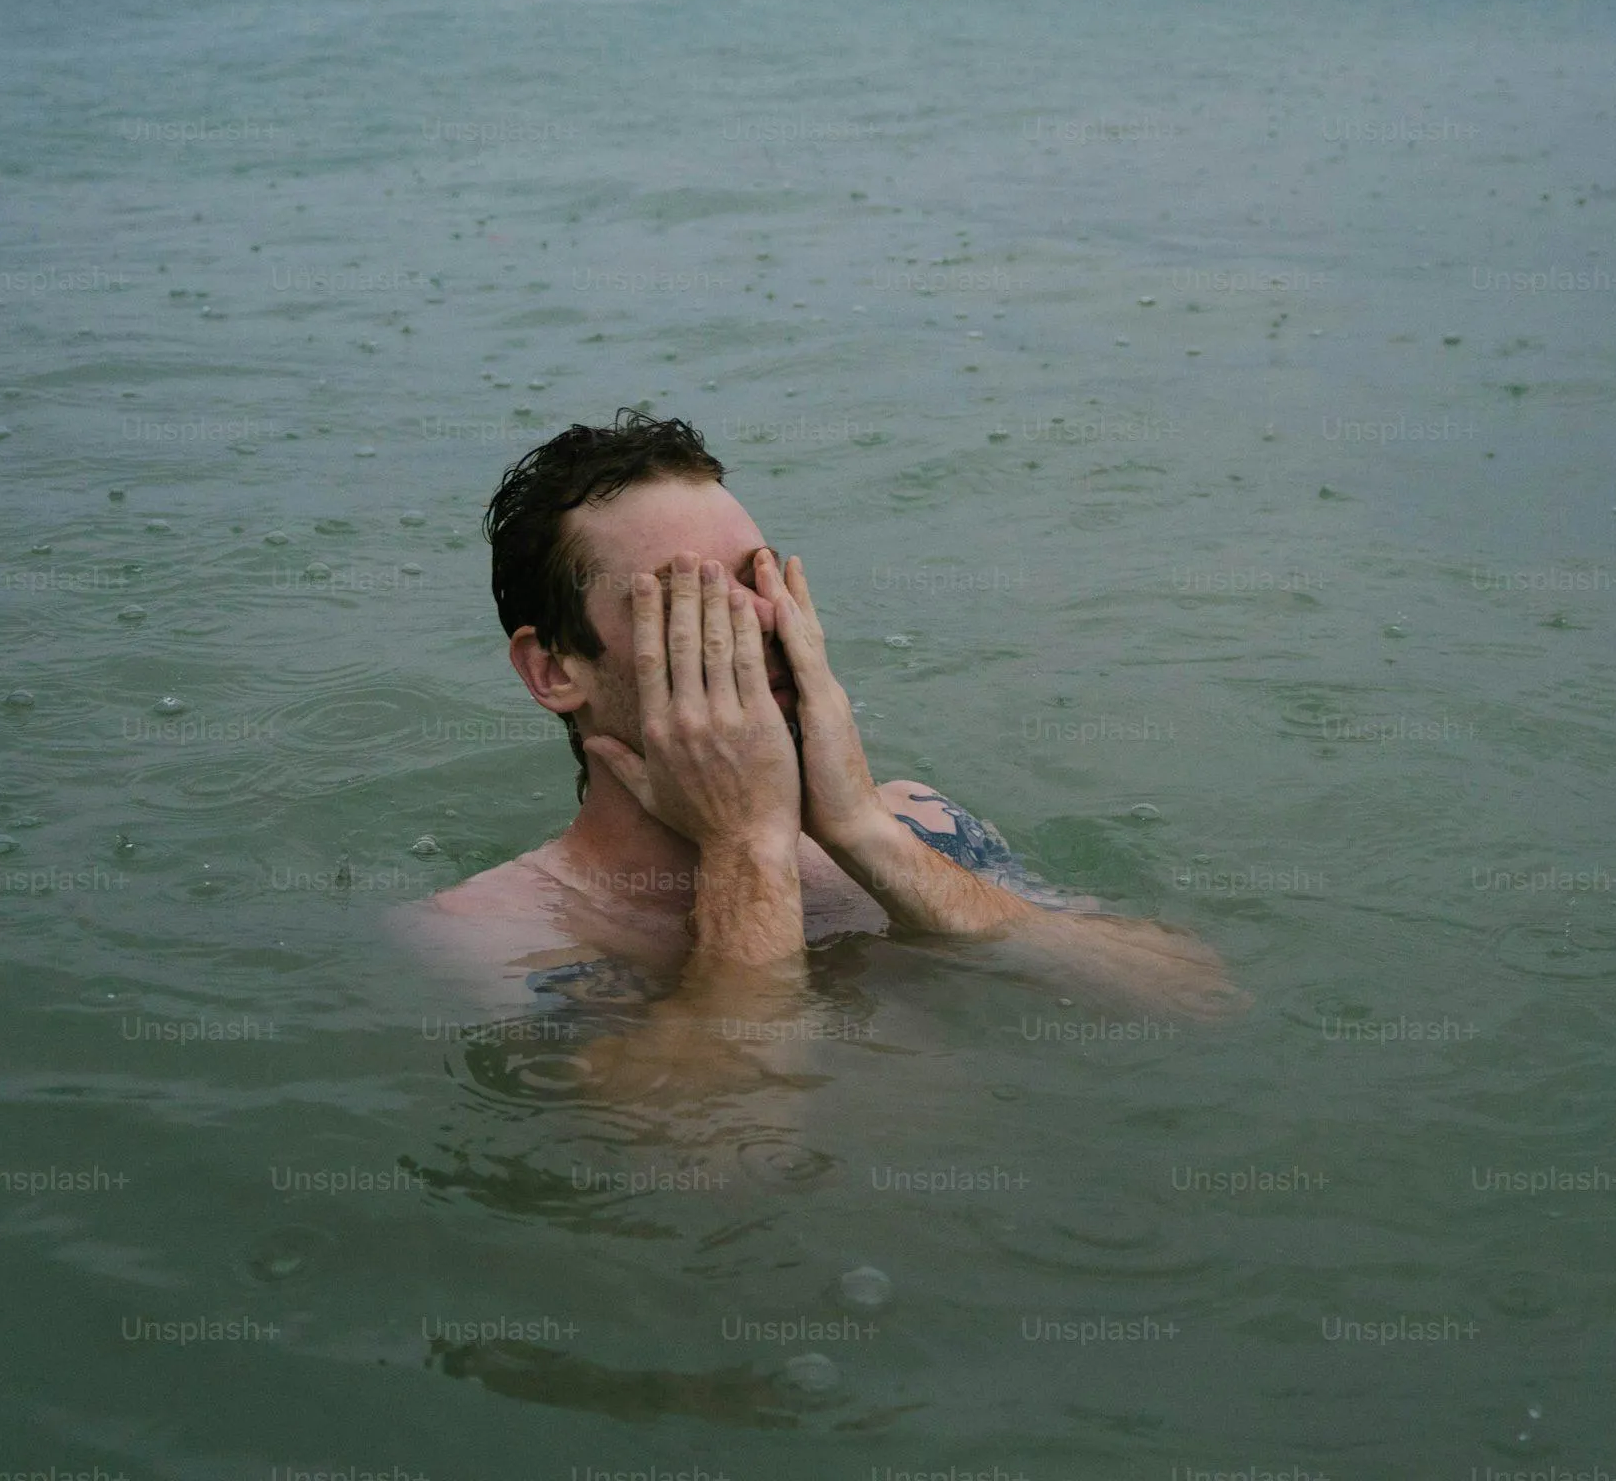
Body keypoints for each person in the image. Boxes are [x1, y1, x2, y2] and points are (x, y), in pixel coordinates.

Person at [394, 411, 1229, 1084]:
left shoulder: (911, 821)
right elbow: (727, 1158)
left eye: (756, 577)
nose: (760, 620)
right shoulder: (492, 932)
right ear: (552, 671)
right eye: (689, 601)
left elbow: (1197, 1000)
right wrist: (744, 845)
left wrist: (865, 832)